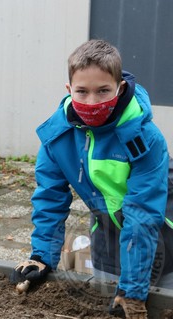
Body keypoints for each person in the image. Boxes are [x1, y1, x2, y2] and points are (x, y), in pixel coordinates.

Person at [10, 39, 173, 318]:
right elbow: (50, 198)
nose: (92, 101)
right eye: (82, 91)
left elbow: (142, 214)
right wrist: (41, 256)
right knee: (104, 305)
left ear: (120, 88)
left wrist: (132, 291)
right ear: (68, 89)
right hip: (105, 237)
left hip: (162, 236)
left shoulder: (146, 139)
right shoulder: (57, 138)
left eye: (103, 91)